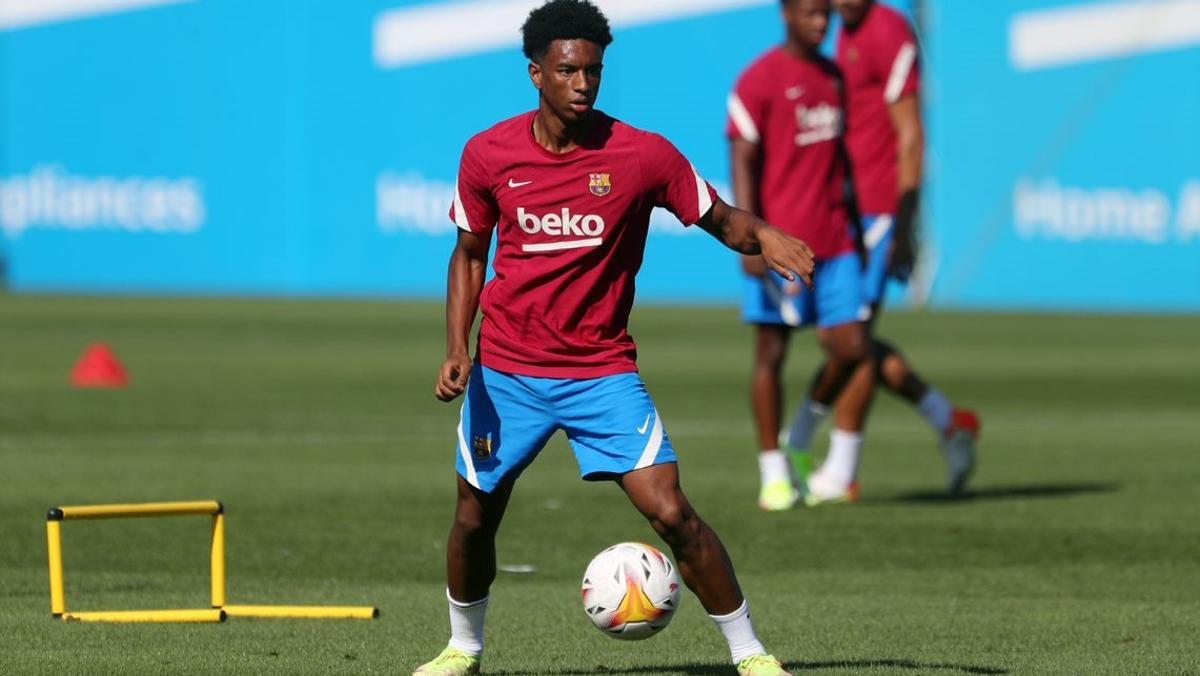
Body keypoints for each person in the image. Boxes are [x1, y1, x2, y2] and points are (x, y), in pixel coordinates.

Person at [415, 2, 815, 674]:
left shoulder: (641, 154)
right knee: (474, 518)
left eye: (594, 71)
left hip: (601, 373)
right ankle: (463, 648)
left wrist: (765, 234)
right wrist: (457, 348)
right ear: (536, 73)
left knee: (672, 513)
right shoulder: (488, 154)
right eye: (569, 70)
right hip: (507, 372)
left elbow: (718, 218)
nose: (583, 83)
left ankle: (751, 656)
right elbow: (468, 254)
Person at [786, 0, 981, 504]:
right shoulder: (845, 32)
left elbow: (911, 136)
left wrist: (906, 225)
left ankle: (840, 468)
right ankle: (949, 421)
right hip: (850, 212)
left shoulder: (889, 30)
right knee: (847, 339)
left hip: (879, 213)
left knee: (850, 339)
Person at [728, 0, 877, 511]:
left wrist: (859, 228)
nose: (821, 23)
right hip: (779, 243)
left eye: (826, 15)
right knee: (771, 353)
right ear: (787, 13)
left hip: (836, 241)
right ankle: (773, 471)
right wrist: (749, 236)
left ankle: (803, 433)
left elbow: (845, 164)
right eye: (812, 12)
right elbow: (742, 156)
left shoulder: (835, 77)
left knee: (853, 347)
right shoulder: (758, 80)